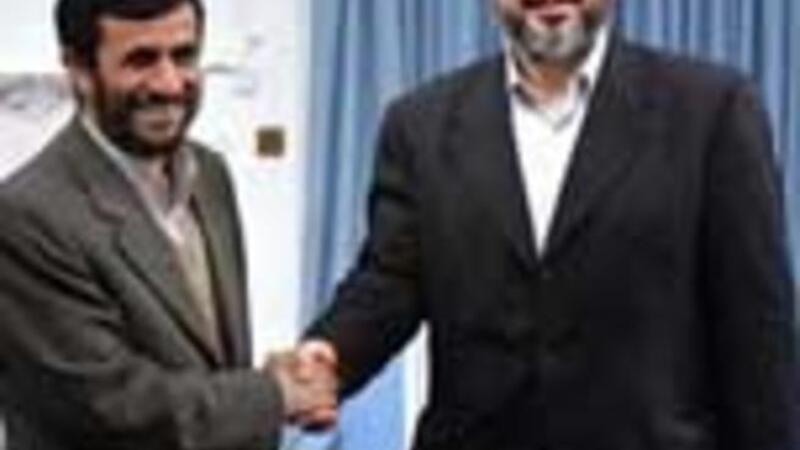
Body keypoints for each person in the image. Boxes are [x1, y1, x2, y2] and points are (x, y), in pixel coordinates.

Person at [295, 0, 796, 449]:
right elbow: (390, 281)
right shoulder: (419, 125)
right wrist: (327, 356)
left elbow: (757, 332)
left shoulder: (711, 112)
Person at [0, 0, 335, 449]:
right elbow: (115, 405)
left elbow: (210, 363)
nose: (169, 83)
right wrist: (273, 394)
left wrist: (281, 381)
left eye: (184, 55)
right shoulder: (27, 215)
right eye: (141, 60)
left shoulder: (210, 175)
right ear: (78, 68)